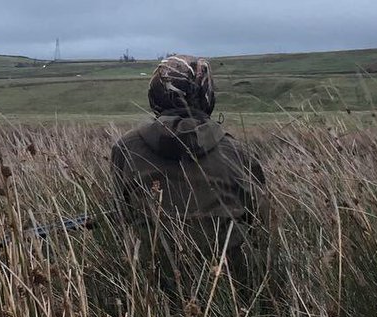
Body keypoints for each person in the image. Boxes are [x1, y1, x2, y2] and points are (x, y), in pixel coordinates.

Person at [111, 55, 268, 285]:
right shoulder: (237, 152)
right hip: (230, 284)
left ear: (155, 96)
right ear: (207, 96)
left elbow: (122, 215)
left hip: (152, 283)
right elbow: (260, 223)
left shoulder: (126, 148)